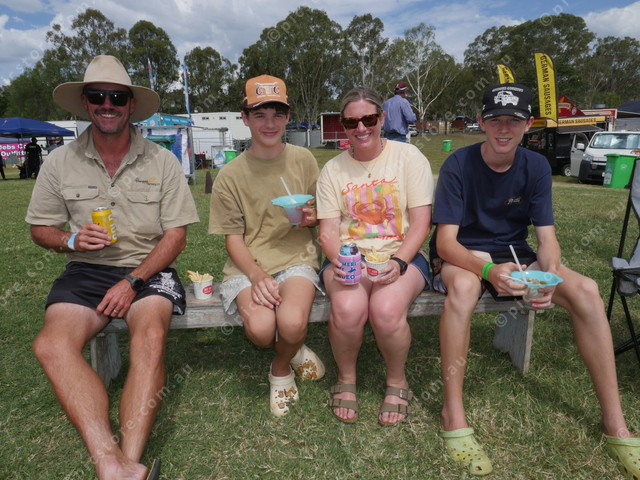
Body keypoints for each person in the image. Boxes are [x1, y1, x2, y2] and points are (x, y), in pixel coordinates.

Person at [430, 82, 640, 477]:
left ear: (528, 125)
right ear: (481, 123)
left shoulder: (537, 166)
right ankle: (452, 413)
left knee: (587, 290)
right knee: (464, 287)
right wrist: (488, 271)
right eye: (495, 120)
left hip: (514, 253)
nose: (503, 129)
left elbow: (547, 240)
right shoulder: (459, 164)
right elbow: (445, 243)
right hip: (463, 253)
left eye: (513, 121)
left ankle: (615, 423)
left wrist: (546, 278)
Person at [27, 55, 199, 480]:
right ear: (86, 103)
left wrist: (132, 281)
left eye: (117, 97)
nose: (108, 104)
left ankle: (129, 459)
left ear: (130, 105)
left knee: (151, 339)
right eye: (98, 96)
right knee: (50, 345)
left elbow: (176, 237)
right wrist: (70, 240)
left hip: (149, 268)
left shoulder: (161, 160)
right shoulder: (59, 161)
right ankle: (112, 462)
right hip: (86, 269)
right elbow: (40, 230)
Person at [208, 74, 325, 417]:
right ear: (244, 118)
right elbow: (233, 238)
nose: (269, 124)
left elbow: (322, 211)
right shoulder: (230, 175)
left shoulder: (304, 159)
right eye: (259, 115)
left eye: (277, 114)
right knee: (260, 330)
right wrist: (257, 275)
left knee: (291, 323)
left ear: (288, 117)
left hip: (297, 256)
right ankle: (293, 349)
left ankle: (281, 368)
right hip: (248, 265)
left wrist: (312, 218)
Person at [316, 87, 433, 426]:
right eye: (351, 122)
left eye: (368, 119)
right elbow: (328, 232)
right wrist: (343, 262)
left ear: (381, 119)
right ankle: (347, 378)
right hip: (347, 255)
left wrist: (398, 263)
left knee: (386, 308)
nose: (361, 128)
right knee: (348, 308)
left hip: (402, 254)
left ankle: (397, 380)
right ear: (343, 126)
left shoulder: (409, 157)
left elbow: (421, 223)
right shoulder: (333, 170)